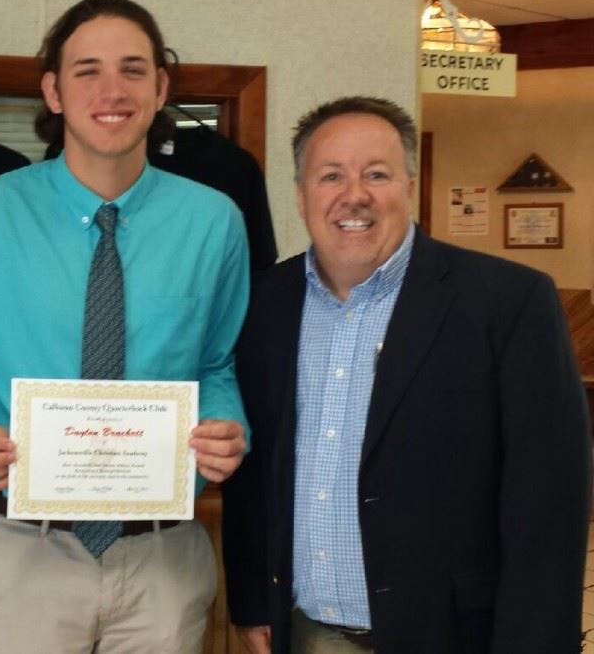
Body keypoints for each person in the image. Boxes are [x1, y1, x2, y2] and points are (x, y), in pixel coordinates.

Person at [0, 0, 250, 653]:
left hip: (162, 558)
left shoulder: (214, 219)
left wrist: (230, 426)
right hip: (24, 551)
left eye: (134, 70)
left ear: (161, 89)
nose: (112, 90)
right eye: (87, 70)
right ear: (53, 91)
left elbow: (217, 365)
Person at [221, 96, 591, 653]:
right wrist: (252, 601)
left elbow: (549, 502)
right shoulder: (263, 304)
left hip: (457, 637)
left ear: (409, 185)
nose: (355, 195)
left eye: (377, 174)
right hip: (306, 633)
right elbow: (255, 475)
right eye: (330, 176)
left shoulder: (509, 301)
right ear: (300, 196)